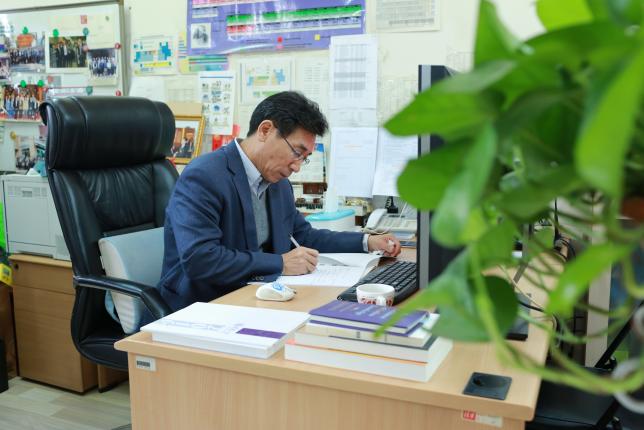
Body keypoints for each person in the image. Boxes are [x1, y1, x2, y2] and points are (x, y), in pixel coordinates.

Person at [158, 91, 401, 312]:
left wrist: (366, 241)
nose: (297, 167)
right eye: (296, 152)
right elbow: (200, 259)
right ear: (265, 131)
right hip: (204, 304)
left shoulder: (278, 183)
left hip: (258, 297)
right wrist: (280, 263)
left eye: (304, 158)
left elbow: (303, 236)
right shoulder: (204, 175)